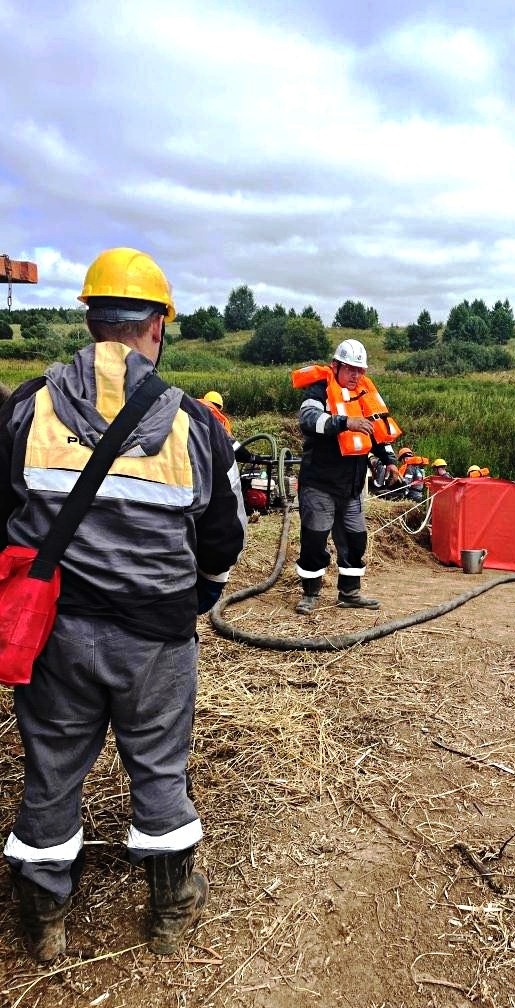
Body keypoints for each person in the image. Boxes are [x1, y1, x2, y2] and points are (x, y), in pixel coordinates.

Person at [0, 248, 247, 962]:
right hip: (157, 638)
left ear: (90, 318)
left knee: (51, 770)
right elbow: (226, 537)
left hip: (53, 634)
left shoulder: (28, 407)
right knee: (161, 771)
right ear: (156, 326)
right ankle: (170, 913)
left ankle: (45, 921)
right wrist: (195, 599)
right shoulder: (195, 425)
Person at [291, 339, 400, 614]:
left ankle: (349, 593)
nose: (356, 376)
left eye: (360, 371)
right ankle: (311, 594)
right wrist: (344, 422)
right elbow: (307, 419)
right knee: (315, 539)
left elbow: (377, 431)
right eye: (350, 369)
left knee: (355, 539)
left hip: (351, 486)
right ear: (336, 366)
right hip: (320, 483)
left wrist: (390, 461)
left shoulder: (363, 394)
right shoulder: (319, 391)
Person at [197, 390, 252, 464]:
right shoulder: (218, 418)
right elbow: (229, 442)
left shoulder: (191, 411)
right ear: (220, 407)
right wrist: (249, 457)